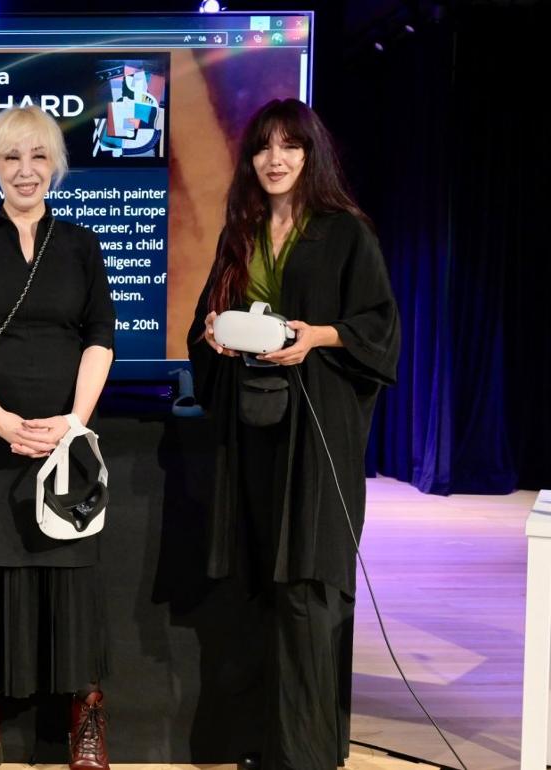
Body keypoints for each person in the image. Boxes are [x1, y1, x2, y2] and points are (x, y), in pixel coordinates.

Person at [187, 98, 400, 770]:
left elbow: (378, 329)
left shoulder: (344, 232)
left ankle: (305, 753)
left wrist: (317, 337)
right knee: (259, 585)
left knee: (308, 588)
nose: (275, 159)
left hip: (316, 431)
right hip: (251, 425)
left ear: (312, 155)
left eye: (290, 146)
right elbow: (206, 320)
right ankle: (261, 742)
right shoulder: (241, 232)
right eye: (263, 148)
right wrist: (214, 338)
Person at [0, 105, 117, 770]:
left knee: (70, 576)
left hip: (65, 439)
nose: (25, 170)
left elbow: (101, 334)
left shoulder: (81, 244)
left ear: (55, 165)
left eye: (38, 156)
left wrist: (73, 424)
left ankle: (86, 717)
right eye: (12, 157)